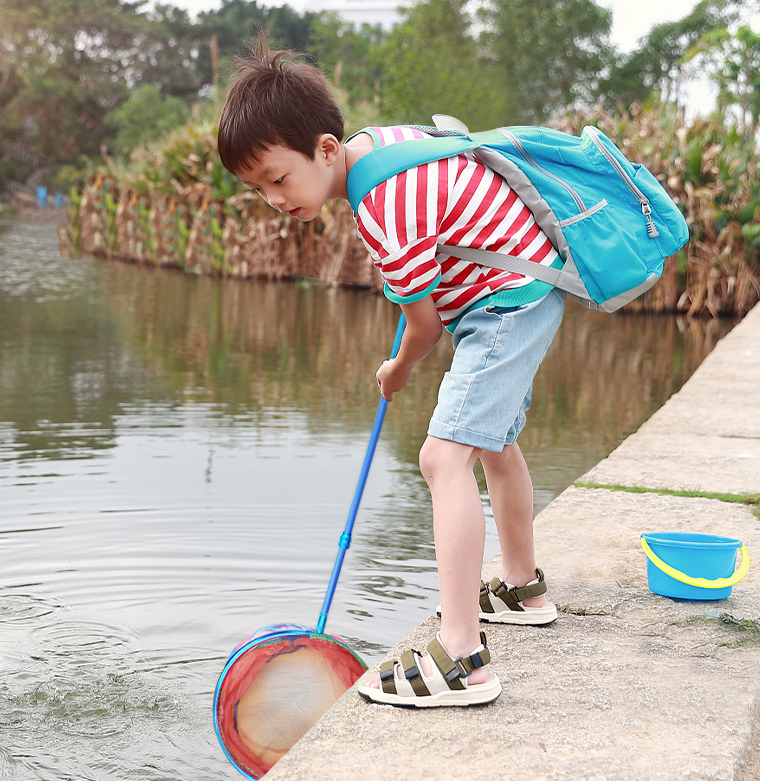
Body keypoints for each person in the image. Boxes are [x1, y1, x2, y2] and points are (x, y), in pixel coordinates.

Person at [217, 41, 565, 709]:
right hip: (518, 287)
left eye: (277, 178)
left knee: (441, 457)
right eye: (257, 187)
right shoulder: (373, 148)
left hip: (506, 301)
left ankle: (460, 656)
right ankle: (521, 587)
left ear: (324, 149)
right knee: (490, 439)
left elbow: (423, 327)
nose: (270, 199)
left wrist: (397, 367)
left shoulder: (381, 204)